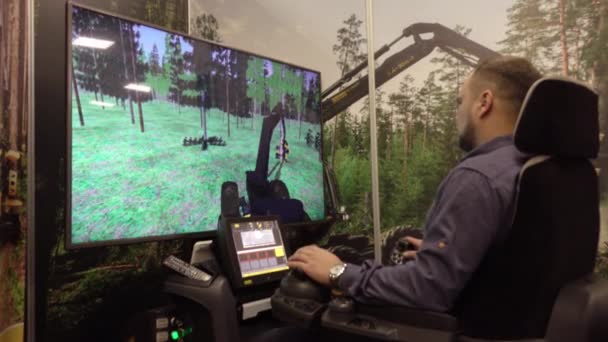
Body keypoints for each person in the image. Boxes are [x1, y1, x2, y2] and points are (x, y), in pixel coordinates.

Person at [287, 56, 542, 312]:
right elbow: (516, 266)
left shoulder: (477, 178)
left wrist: (338, 272)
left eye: (460, 101)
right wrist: (450, 253)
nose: (457, 112)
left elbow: (427, 290)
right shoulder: (536, 168)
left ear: (484, 103)